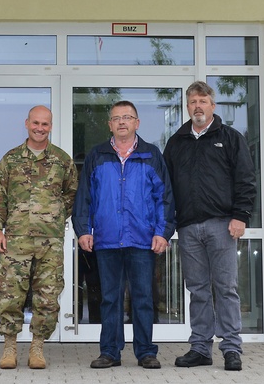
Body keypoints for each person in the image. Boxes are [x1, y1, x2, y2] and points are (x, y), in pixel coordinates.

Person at [73, 100, 175, 370]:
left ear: (137, 123)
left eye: (127, 117)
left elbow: (164, 198)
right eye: (116, 118)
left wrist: (163, 232)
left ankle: (146, 352)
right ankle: (109, 352)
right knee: (110, 299)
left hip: (142, 240)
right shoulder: (97, 155)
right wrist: (84, 230)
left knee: (143, 298)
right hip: (106, 241)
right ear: (110, 124)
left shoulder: (152, 155)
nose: (121, 122)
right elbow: (84, 198)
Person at [164, 81, 256, 372]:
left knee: (226, 288)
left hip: (222, 226)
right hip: (189, 228)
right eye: (193, 102)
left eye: (203, 101)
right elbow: (166, 187)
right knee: (198, 290)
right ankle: (201, 347)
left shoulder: (229, 137)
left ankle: (231, 348)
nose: (198, 106)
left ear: (212, 106)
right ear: (187, 106)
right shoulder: (176, 142)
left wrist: (240, 215)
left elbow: (245, 178)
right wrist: (168, 225)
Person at [0, 105, 78, 369]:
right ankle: (10, 347)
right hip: (15, 241)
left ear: (51, 126)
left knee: (47, 297)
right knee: (10, 295)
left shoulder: (62, 160)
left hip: (50, 243)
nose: (40, 128)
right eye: (35, 123)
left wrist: (55, 217)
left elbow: (72, 194)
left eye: (45, 124)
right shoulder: (10, 160)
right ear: (26, 123)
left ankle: (37, 347)